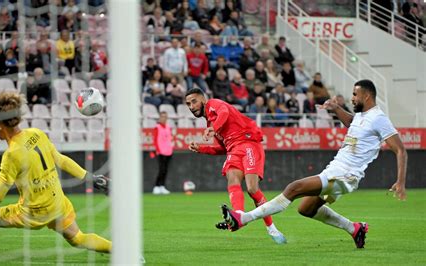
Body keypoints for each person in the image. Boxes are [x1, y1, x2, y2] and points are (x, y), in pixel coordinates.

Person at [219, 80, 408, 249]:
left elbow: (400, 150)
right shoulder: (362, 116)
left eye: (354, 94)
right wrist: (335, 108)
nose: (351, 98)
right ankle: (355, 229)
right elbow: (352, 122)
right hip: (336, 170)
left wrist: (400, 182)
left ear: (366, 95)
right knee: (306, 209)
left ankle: (243, 219)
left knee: (293, 188)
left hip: (345, 174)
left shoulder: (379, 118)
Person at [0, 91, 112, 253]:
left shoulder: (12, 154)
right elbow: (60, 159)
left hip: (33, 212)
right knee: (78, 238)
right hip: (57, 204)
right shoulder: (37, 133)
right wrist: (91, 178)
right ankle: (124, 252)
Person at [185, 88, 286, 244]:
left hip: (248, 143)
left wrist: (213, 128)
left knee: (252, 189)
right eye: (188, 104)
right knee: (232, 179)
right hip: (233, 149)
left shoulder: (214, 104)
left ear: (203, 100)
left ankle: (271, 228)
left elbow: (224, 112)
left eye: (194, 101)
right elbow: (222, 148)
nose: (191, 106)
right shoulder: (211, 123)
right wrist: (200, 148)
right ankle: (238, 216)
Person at [153, 111, 174, 195]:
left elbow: (169, 139)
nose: (164, 118)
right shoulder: (157, 127)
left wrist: (171, 148)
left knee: (165, 170)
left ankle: (162, 186)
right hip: (161, 151)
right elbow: (155, 140)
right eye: (162, 116)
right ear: (160, 117)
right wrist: (157, 150)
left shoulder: (168, 127)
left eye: (165, 117)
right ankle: (156, 186)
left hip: (168, 151)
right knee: (161, 169)